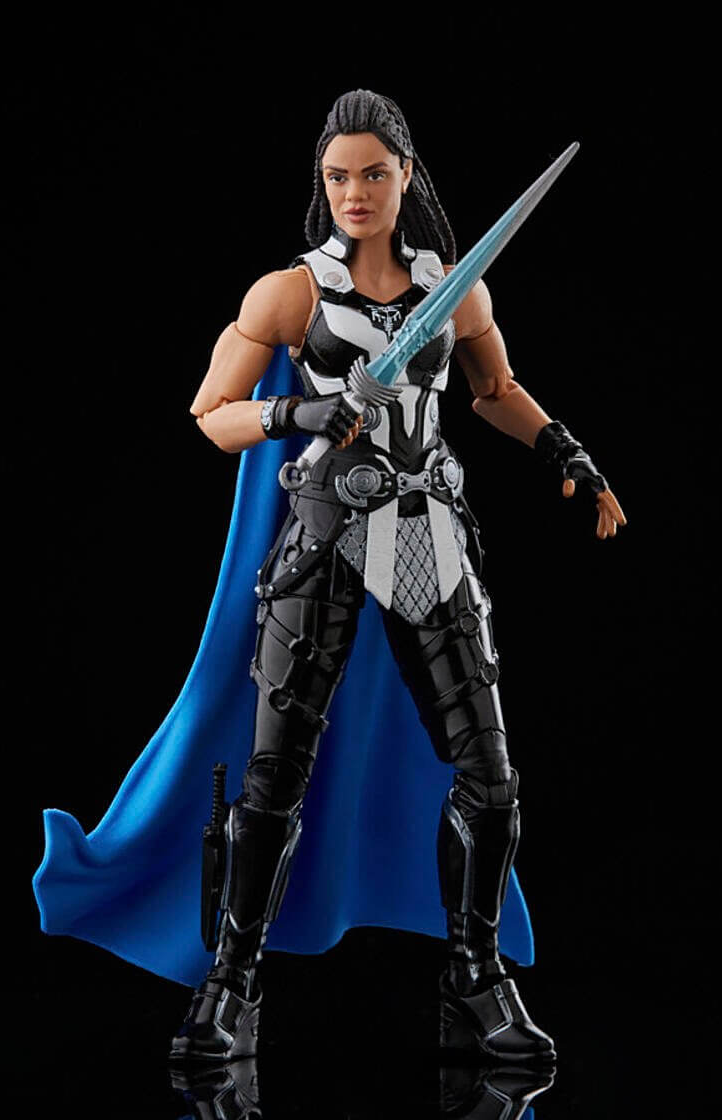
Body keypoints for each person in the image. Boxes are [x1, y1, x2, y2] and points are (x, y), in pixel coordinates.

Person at [167, 89, 626, 1064]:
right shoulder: (289, 293)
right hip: (327, 529)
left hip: (425, 531)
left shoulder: (452, 287)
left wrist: (566, 452)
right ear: (322, 183)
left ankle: (476, 975)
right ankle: (231, 980)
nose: (355, 192)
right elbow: (212, 413)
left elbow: (495, 390)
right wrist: (293, 415)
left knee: (490, 773)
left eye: (373, 173)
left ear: (405, 175)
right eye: (338, 176)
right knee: (274, 775)